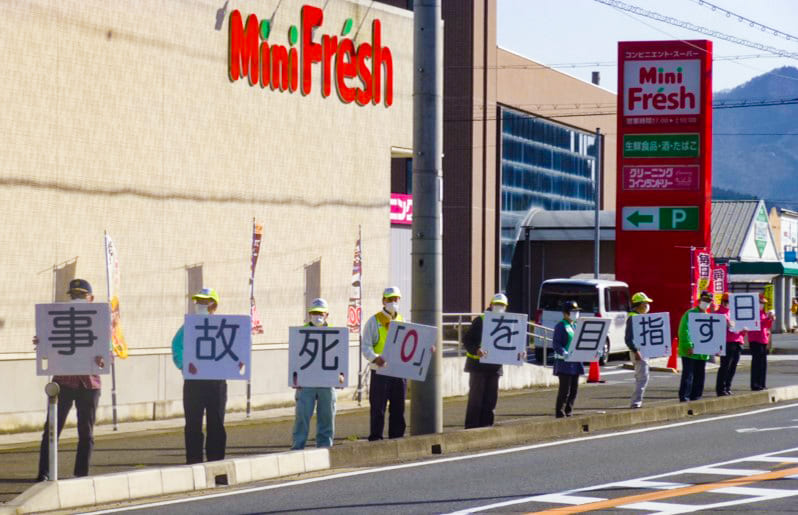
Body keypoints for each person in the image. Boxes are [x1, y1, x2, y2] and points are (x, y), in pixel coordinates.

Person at [36, 279, 106, 481]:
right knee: (51, 430)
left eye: (81, 295)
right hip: (63, 382)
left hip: (89, 383)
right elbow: (48, 344)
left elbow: (108, 354)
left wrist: (104, 356)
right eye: (74, 296)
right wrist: (41, 342)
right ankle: (44, 473)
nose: (77, 299)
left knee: (86, 432)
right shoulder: (58, 318)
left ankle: (81, 474)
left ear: (91, 298)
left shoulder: (101, 321)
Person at [171, 288, 228, 464]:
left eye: (205, 302)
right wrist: (183, 365)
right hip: (193, 381)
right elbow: (176, 346)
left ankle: (216, 464)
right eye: (199, 302)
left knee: (216, 425)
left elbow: (233, 349)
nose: (200, 305)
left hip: (216, 381)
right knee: (193, 425)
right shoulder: (188, 326)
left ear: (214, 305)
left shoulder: (224, 326)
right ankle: (194, 463)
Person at [291, 298, 338, 450]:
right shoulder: (301, 332)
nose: (317, 316)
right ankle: (298, 446)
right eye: (314, 313)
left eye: (321, 313)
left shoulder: (335, 334)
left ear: (327, 315)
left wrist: (341, 376)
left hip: (327, 382)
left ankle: (325, 447)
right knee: (302, 417)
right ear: (309, 314)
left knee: (327, 416)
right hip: (306, 382)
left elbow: (339, 358)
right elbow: (294, 357)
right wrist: (294, 377)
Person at [361, 286, 406, 440]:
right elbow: (365, 345)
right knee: (378, 407)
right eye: (390, 299)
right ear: (383, 301)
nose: (393, 302)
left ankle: (397, 437)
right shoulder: (374, 321)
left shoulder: (402, 319)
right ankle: (376, 438)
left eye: (396, 299)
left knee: (398, 407)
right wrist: (375, 357)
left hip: (398, 371)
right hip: (379, 370)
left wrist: (425, 348)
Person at [463, 293, 508, 429]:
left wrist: (519, 353)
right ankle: (471, 427)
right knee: (476, 400)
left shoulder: (509, 322)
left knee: (490, 400)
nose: (499, 307)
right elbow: (467, 340)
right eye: (497, 304)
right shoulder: (480, 320)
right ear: (490, 305)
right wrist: (476, 350)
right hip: (478, 367)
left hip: (494, 368)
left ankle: (487, 427)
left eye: (502, 305)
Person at [677, 290, 712, 402]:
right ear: (699, 300)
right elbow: (684, 331)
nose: (706, 303)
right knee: (688, 375)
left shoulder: (708, 316)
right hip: (690, 351)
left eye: (708, 301)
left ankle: (696, 396)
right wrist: (689, 345)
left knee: (699, 375)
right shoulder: (690, 313)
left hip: (702, 352)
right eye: (704, 300)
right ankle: (685, 396)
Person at [552, 300, 584, 418]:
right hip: (564, 363)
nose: (576, 314)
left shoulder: (575, 325)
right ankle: (559, 412)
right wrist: (563, 352)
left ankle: (569, 410)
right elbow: (556, 344)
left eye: (577, 312)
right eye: (573, 311)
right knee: (564, 390)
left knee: (574, 389)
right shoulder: (561, 326)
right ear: (565, 313)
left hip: (575, 362)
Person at [624, 291, 653, 409]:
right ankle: (636, 403)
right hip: (638, 351)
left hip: (640, 350)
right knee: (643, 378)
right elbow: (629, 338)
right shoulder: (634, 318)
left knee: (641, 377)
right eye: (645, 303)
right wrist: (636, 351)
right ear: (640, 304)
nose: (647, 306)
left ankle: (636, 402)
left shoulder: (637, 317)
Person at [715, 293, 745, 396]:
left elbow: (741, 328)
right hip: (727, 342)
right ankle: (721, 388)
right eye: (728, 302)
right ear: (723, 302)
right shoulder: (719, 313)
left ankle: (728, 386)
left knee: (733, 365)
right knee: (725, 366)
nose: (729, 304)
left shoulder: (734, 313)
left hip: (738, 341)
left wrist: (744, 329)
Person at [749, 293, 775, 391]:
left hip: (763, 339)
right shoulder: (753, 313)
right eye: (760, 302)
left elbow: (766, 325)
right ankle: (755, 384)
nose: (762, 304)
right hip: (755, 339)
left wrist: (771, 319)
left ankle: (762, 383)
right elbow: (758, 323)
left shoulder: (763, 313)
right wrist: (768, 318)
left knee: (763, 363)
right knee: (756, 362)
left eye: (763, 303)